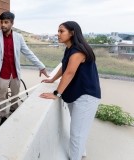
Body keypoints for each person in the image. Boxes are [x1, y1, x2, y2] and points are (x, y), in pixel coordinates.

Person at [0, 11, 49, 126]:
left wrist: (41, 66)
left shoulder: (18, 37)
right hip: (2, 73)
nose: (3, 25)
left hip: (15, 72)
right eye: (1, 22)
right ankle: (3, 116)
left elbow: (28, 53)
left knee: (15, 94)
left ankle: (13, 109)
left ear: (12, 23)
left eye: (6, 22)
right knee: (2, 96)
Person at [40, 21, 101, 160]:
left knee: (76, 134)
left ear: (72, 33)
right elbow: (64, 67)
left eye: (61, 31)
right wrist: (52, 79)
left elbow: (69, 73)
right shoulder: (70, 49)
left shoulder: (78, 51)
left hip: (86, 95)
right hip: (77, 93)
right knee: (78, 130)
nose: (58, 34)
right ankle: (81, 153)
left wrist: (56, 93)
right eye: (58, 31)